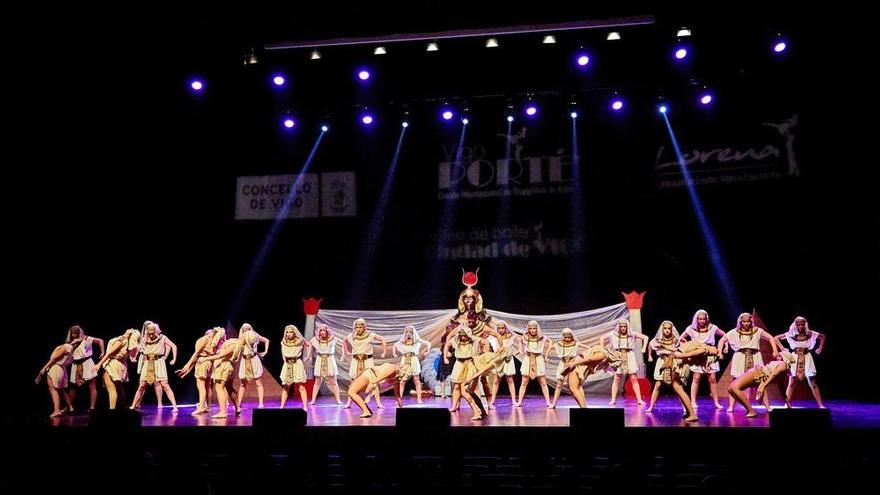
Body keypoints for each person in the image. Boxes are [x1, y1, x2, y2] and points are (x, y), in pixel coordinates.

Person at [719, 313, 780, 412]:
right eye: (744, 321)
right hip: (740, 357)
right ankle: (731, 406)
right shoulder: (734, 332)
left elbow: (770, 337)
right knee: (735, 382)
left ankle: (767, 406)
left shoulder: (757, 331)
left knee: (760, 382)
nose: (746, 323)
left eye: (748, 321)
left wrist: (775, 351)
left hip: (755, 357)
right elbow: (722, 340)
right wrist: (720, 352)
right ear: (740, 322)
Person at [774, 316, 827, 408]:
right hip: (795, 358)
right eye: (798, 325)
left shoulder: (810, 333)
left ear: (805, 324)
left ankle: (820, 404)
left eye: (802, 324)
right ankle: (786, 404)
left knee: (812, 382)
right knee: (792, 382)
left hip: (807, 357)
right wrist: (782, 348)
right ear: (795, 325)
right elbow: (776, 338)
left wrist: (820, 348)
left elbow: (823, 336)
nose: (801, 326)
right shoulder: (791, 334)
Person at [679, 309, 726, 410]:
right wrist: (686, 347)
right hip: (697, 354)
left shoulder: (713, 328)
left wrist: (724, 346)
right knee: (696, 377)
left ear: (706, 319)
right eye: (700, 319)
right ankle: (693, 401)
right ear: (696, 319)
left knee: (712, 378)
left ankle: (716, 402)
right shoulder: (691, 328)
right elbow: (680, 338)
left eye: (704, 319)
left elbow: (725, 336)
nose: (702, 321)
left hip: (710, 353)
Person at [174, 327, 226, 415]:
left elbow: (197, 353)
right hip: (209, 362)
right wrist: (187, 370)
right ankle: (208, 407)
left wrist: (186, 365)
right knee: (208, 386)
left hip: (202, 362)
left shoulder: (205, 339)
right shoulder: (214, 342)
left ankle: (201, 407)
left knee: (201, 386)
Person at [601, 318, 649, 406]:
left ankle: (639, 400)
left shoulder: (632, 334)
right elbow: (602, 338)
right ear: (619, 327)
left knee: (633, 378)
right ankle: (613, 400)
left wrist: (644, 347)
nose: (623, 328)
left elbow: (645, 337)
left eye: (624, 326)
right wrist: (602, 349)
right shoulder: (613, 334)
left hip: (629, 355)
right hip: (618, 355)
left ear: (627, 327)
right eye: (621, 326)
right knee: (617, 378)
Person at [65, 325, 104, 411]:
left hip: (87, 363)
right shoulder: (70, 342)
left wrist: (102, 352)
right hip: (75, 364)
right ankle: (69, 407)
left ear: (79, 333)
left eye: (76, 333)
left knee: (92, 385)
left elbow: (100, 341)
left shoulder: (86, 338)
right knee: (73, 387)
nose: (73, 335)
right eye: (72, 333)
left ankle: (92, 407)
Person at [646, 320, 680, 413]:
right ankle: (651, 407)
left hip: (673, 361)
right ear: (662, 329)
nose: (667, 330)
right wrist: (650, 355)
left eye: (669, 328)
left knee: (677, 385)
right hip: (661, 361)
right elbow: (650, 345)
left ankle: (685, 407)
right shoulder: (658, 339)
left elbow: (679, 348)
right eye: (665, 328)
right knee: (658, 384)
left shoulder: (676, 339)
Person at [392, 325, 430, 404]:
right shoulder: (402, 341)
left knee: (416, 380)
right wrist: (394, 353)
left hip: (413, 360)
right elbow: (394, 345)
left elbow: (427, 343)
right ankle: (400, 399)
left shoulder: (416, 341)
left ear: (413, 333)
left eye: (410, 332)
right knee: (402, 381)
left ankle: (419, 399)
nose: (408, 334)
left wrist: (427, 351)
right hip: (404, 360)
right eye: (407, 332)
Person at [308, 324, 344, 405]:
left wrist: (344, 354)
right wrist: (308, 356)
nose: (322, 332)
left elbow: (344, 343)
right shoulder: (315, 339)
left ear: (327, 331)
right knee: (317, 381)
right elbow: (309, 345)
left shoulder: (333, 339)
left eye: (324, 330)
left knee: (333, 381)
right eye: (321, 330)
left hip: (330, 359)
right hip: (319, 359)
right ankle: (313, 400)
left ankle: (338, 400)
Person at [236, 323, 270, 409]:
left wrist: (265, 351)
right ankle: (238, 403)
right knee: (243, 383)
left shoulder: (255, 335)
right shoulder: (242, 337)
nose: (245, 331)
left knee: (258, 382)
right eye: (244, 329)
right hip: (245, 360)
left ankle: (261, 403)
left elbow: (266, 340)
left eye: (246, 329)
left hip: (254, 359)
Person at [279, 325, 309, 410]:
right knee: (286, 387)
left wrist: (308, 356)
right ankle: (282, 406)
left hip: (297, 363)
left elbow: (308, 344)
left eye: (291, 332)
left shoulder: (300, 341)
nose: (288, 334)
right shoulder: (284, 341)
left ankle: (305, 406)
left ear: (294, 333)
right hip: (287, 364)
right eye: (287, 332)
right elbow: (283, 353)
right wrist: (285, 361)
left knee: (301, 386)